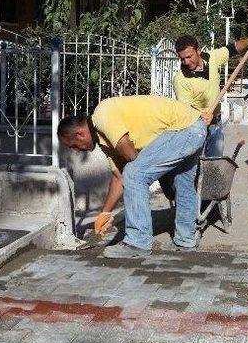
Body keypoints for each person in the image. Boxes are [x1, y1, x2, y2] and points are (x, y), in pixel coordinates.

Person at [57, 95, 207, 259]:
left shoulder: (101, 115)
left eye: (74, 146)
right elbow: (119, 177)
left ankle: (137, 242)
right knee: (182, 182)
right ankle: (186, 240)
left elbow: (129, 154)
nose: (77, 150)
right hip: (193, 126)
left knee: (135, 173)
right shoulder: (104, 139)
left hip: (184, 129)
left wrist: (138, 173)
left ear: (80, 134)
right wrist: (105, 213)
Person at [172, 29, 248, 156]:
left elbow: (233, 48)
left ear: (198, 51)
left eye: (189, 57)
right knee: (194, 166)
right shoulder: (181, 79)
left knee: (214, 165)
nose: (186, 62)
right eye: (182, 59)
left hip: (216, 124)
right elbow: (185, 111)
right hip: (196, 128)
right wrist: (201, 116)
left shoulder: (211, 58)